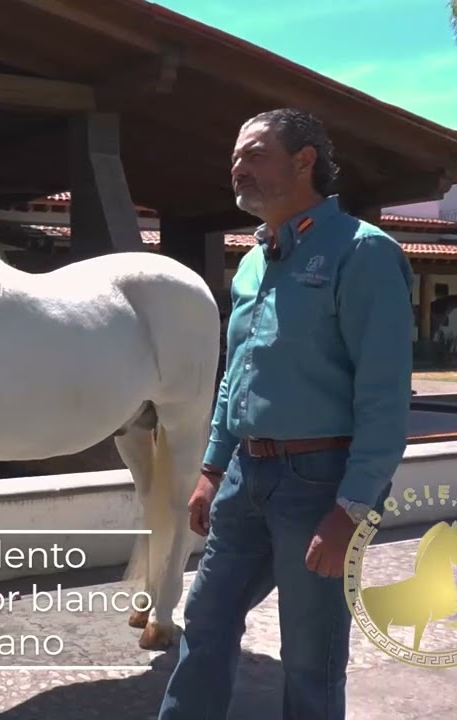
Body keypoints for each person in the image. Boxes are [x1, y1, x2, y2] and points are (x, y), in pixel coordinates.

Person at [157, 108, 413, 720]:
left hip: (320, 481)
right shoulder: (252, 261)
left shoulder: (362, 252)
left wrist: (351, 508)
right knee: (206, 618)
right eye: (235, 159)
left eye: (254, 155)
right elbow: (236, 376)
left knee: (310, 650)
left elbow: (383, 394)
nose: (237, 169)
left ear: (304, 162)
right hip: (246, 477)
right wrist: (212, 467)